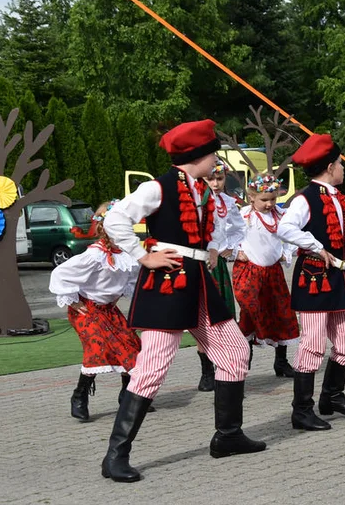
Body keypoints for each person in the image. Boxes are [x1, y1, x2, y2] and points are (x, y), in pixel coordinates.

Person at [102, 119, 265, 482]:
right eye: (212, 154)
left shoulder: (202, 189)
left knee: (235, 352)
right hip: (167, 281)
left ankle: (228, 435)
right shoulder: (157, 187)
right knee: (153, 366)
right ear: (196, 155)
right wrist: (143, 256)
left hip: (198, 280)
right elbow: (115, 219)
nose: (216, 161)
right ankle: (116, 455)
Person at [277, 134, 345, 431]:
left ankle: (332, 397)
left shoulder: (337, 196)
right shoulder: (305, 197)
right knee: (313, 342)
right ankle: (301, 410)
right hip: (314, 277)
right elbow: (285, 227)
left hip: (338, 276)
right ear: (330, 166)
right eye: (341, 164)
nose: (344, 169)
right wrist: (315, 245)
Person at [49, 200, 143, 422]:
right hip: (86, 308)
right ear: (105, 227)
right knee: (97, 346)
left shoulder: (129, 254)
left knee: (132, 347)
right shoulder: (95, 255)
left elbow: (133, 281)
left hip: (108, 310)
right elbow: (61, 274)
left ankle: (127, 397)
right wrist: (72, 300)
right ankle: (80, 395)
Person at [231, 173, 302, 378]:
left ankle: (281, 361)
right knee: (250, 310)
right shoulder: (244, 216)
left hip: (273, 272)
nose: (269, 204)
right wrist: (236, 251)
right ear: (251, 197)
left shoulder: (281, 215)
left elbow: (291, 237)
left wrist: (286, 253)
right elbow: (227, 234)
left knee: (281, 311)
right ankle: (244, 359)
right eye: (264, 200)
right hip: (249, 271)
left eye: (272, 199)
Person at [196, 158, 247, 391]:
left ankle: (225, 369)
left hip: (217, 265)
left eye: (219, 178)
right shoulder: (195, 200)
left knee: (222, 317)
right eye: (210, 179)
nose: (215, 184)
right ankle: (206, 372)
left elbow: (239, 229)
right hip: (199, 262)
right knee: (204, 320)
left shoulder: (228, 202)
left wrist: (230, 249)